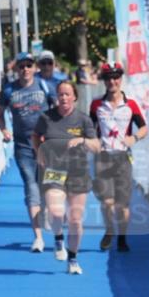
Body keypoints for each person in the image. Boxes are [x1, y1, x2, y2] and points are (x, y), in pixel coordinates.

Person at [32, 81, 99, 274]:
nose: (63, 98)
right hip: (54, 171)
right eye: (60, 94)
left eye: (67, 94)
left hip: (78, 173)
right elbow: (35, 136)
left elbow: (96, 146)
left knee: (75, 220)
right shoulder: (46, 117)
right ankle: (58, 238)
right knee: (56, 212)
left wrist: (82, 140)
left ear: (74, 97)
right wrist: (39, 151)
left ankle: (73, 259)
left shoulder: (83, 120)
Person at [0, 52, 55, 252]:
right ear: (17, 69)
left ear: (34, 67)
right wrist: (4, 130)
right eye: (22, 66)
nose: (25, 69)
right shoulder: (8, 90)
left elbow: (57, 110)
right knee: (31, 186)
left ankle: (45, 211)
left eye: (29, 65)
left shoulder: (45, 86)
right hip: (23, 147)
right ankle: (38, 237)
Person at [90, 62, 148, 253]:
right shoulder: (96, 105)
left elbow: (144, 128)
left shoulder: (131, 105)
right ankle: (109, 230)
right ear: (104, 81)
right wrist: (92, 141)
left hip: (123, 159)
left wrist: (134, 138)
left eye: (115, 78)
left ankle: (122, 238)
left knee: (122, 205)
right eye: (108, 78)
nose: (112, 81)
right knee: (107, 202)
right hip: (103, 158)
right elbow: (89, 128)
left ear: (121, 80)